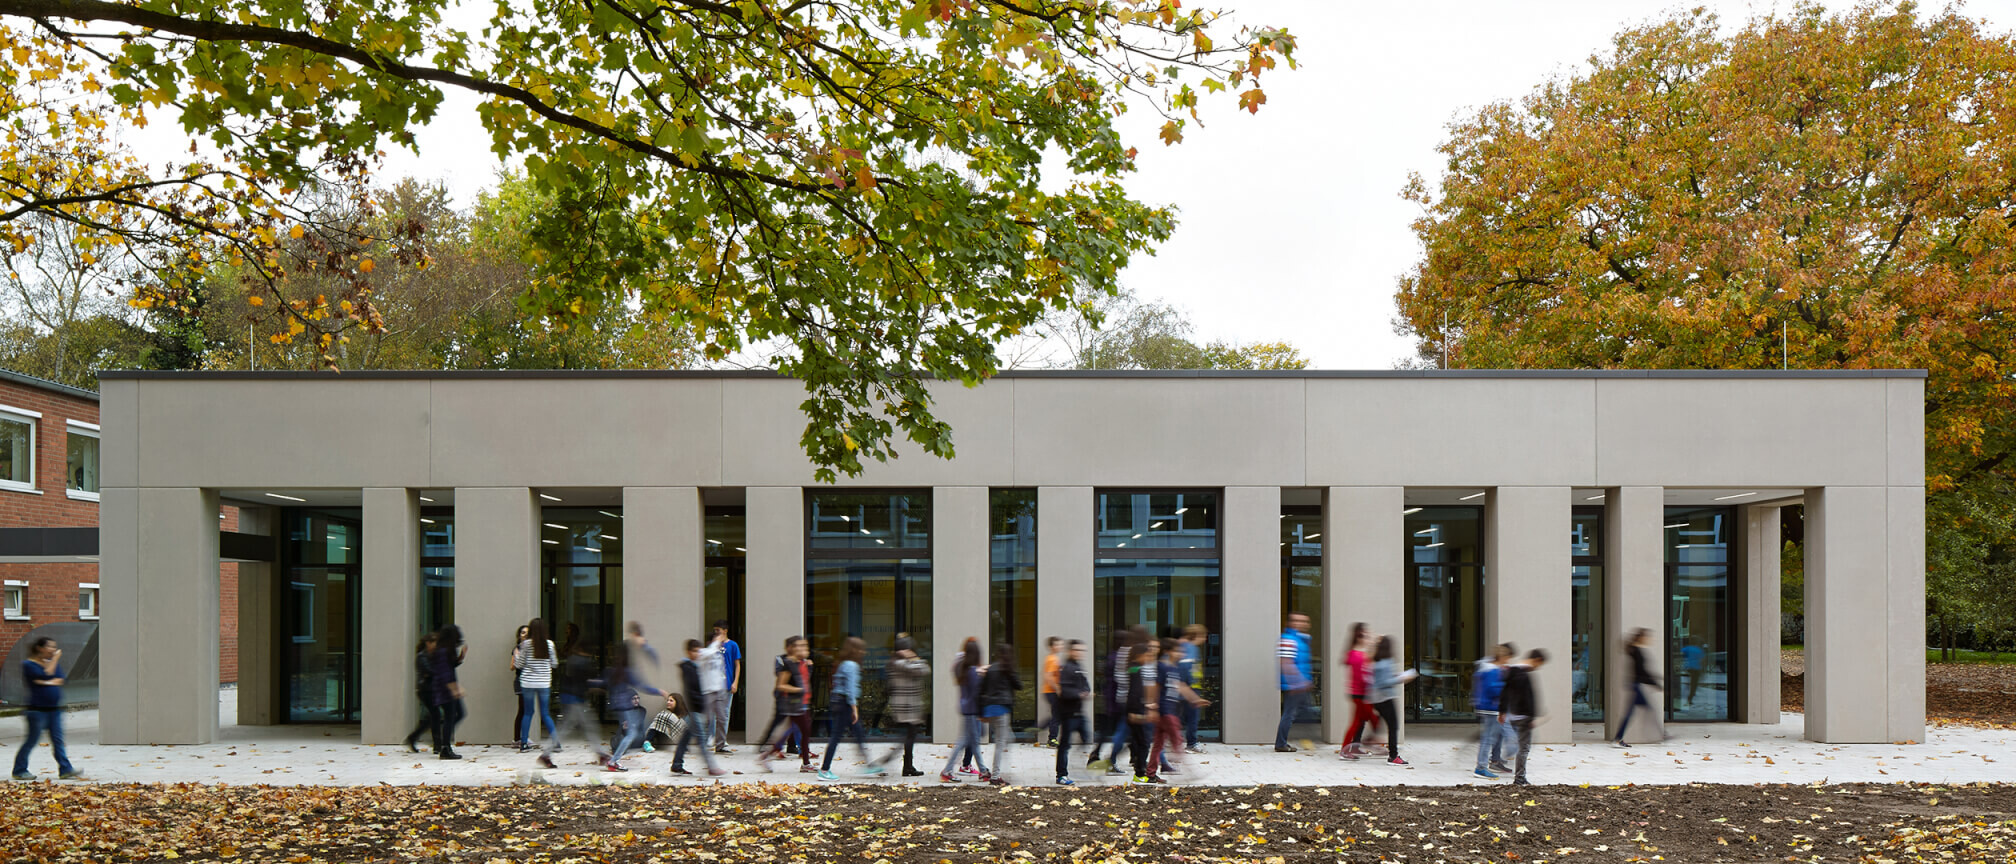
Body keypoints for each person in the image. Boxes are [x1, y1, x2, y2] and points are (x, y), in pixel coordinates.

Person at [11, 637, 79, 781]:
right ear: (40, 648)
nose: (54, 650)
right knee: (31, 741)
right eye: (50, 647)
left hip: (54, 710)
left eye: (55, 647)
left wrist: (46, 681)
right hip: (37, 711)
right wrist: (51, 670)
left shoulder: (52, 664)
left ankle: (65, 769)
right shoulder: (28, 664)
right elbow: (45, 674)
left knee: (58, 741)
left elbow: (61, 679)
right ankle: (19, 770)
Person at [540, 634, 608, 769]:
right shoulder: (584, 662)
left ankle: (546, 754)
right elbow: (584, 683)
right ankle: (601, 754)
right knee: (588, 726)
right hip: (576, 699)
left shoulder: (572, 659)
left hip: (568, 697)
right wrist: (599, 688)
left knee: (567, 727)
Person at [817, 636, 879, 780]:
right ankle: (825, 770)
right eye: (861, 649)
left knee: (858, 734)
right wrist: (854, 708)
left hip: (838, 701)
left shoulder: (844, 663)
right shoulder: (852, 665)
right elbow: (850, 690)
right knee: (837, 736)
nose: (863, 652)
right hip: (844, 703)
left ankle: (869, 766)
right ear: (855, 650)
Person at [871, 634, 930, 776]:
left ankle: (907, 766)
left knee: (908, 736)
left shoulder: (895, 663)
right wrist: (913, 658)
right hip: (907, 707)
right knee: (909, 736)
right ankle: (899, 764)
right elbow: (924, 669)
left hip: (906, 705)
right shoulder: (900, 664)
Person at [1151, 637, 1209, 780]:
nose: (1181, 654)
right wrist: (1152, 707)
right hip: (1165, 711)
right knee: (1177, 741)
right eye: (1177, 651)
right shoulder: (1161, 667)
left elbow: (1181, 687)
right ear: (1168, 652)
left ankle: (1150, 773)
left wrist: (1195, 699)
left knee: (1158, 744)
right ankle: (1190, 773)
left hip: (1169, 710)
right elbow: (1155, 687)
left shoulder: (1174, 668)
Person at [756, 636, 815, 773]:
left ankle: (766, 756)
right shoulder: (788, 664)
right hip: (793, 704)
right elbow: (781, 685)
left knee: (795, 732)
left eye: (805, 646)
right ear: (792, 649)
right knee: (804, 731)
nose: (804, 649)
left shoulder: (802, 663)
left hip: (801, 702)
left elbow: (805, 681)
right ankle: (805, 763)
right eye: (800, 646)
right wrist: (799, 690)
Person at [1088, 627, 1143, 773]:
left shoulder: (1115, 655)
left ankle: (1133, 757)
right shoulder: (1122, 656)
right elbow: (1121, 680)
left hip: (1115, 699)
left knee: (1122, 731)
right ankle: (1112, 759)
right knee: (1123, 731)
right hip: (1118, 700)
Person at [604, 640, 664, 771]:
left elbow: (605, 683)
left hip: (617, 704)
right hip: (625, 705)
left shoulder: (614, 669)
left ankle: (614, 759)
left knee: (630, 732)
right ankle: (613, 761)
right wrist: (658, 691)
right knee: (631, 733)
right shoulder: (627, 671)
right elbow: (642, 686)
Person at [939, 637, 991, 782]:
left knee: (973, 741)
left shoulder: (963, 668)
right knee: (964, 742)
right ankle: (948, 771)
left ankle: (983, 770)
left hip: (966, 708)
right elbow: (977, 694)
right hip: (973, 710)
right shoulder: (973, 672)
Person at [673, 639, 727, 776]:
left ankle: (676, 764)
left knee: (687, 736)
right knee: (702, 739)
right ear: (688, 652)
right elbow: (692, 690)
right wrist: (701, 703)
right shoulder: (688, 667)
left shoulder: (696, 666)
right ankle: (711, 767)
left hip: (698, 707)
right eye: (695, 651)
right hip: (696, 707)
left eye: (699, 651)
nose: (698, 654)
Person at [1500, 648, 1548, 786]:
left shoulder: (1512, 671)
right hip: (1523, 716)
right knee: (1524, 748)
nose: (1538, 667)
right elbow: (1527, 698)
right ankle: (1520, 777)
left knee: (1520, 745)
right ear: (1536, 660)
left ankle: (1518, 775)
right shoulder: (1524, 675)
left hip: (1513, 715)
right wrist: (1531, 716)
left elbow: (1504, 692)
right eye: (1539, 664)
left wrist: (1502, 711)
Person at [1613, 628, 1667, 747]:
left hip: (1635, 685)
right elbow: (1642, 671)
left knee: (1647, 710)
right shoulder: (1637, 651)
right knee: (1635, 713)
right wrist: (1655, 683)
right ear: (1641, 638)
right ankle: (1617, 739)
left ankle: (1662, 734)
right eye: (1647, 637)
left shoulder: (1634, 650)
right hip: (1636, 685)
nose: (1649, 639)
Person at [978, 641, 1022, 785]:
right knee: (1001, 743)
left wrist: (981, 711)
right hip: (1002, 709)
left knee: (1007, 739)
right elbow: (1019, 685)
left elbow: (983, 690)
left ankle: (1000, 771)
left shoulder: (992, 669)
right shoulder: (1007, 669)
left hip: (990, 709)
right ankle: (996, 776)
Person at [514, 618, 559, 752]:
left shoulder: (526, 645)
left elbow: (519, 665)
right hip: (544, 682)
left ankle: (524, 744)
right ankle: (556, 743)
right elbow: (555, 663)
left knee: (528, 712)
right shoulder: (549, 644)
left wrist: (517, 656)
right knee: (545, 713)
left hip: (527, 682)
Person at [1051, 639, 1092, 785]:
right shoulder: (1067, 668)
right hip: (1068, 714)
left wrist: (1086, 691)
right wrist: (1080, 694)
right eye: (1078, 650)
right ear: (1071, 651)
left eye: (1082, 650)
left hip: (1078, 713)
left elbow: (1086, 685)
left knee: (1087, 739)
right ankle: (1061, 775)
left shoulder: (1079, 667)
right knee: (1065, 744)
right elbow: (1065, 691)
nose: (1080, 653)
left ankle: (1080, 768)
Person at [1473, 642, 1516, 778]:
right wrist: (1505, 688)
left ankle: (1490, 762)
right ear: (1502, 657)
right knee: (1488, 738)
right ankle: (1481, 767)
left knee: (1492, 737)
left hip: (1489, 707)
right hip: (1491, 708)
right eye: (1507, 657)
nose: (1508, 660)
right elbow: (1492, 689)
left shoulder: (1488, 668)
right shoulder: (1493, 670)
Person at [1367, 635, 1410, 766]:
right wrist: (1401, 678)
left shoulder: (1377, 662)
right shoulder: (1387, 662)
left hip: (1376, 698)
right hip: (1386, 697)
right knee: (1393, 726)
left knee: (1382, 719)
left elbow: (1379, 679)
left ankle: (1371, 737)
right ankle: (1393, 756)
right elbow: (1384, 682)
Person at [1339, 624, 1380, 759]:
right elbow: (1364, 676)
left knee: (1361, 721)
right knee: (1368, 720)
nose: (1368, 638)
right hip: (1361, 694)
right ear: (1359, 637)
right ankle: (1346, 750)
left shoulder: (1354, 654)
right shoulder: (1358, 656)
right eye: (1366, 636)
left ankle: (1354, 747)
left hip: (1357, 694)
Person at [1275, 612, 1313, 752]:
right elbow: (1286, 663)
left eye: (1305, 621)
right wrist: (1297, 682)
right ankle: (1281, 744)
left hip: (1300, 684)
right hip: (1295, 685)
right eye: (1298, 621)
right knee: (1289, 714)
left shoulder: (1301, 639)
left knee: (1299, 712)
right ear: (1291, 623)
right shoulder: (1288, 640)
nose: (1302, 624)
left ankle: (1303, 739)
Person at [1125, 640, 1161, 784]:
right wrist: (1137, 710)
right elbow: (1135, 691)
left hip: (1136, 709)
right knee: (1144, 742)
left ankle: (1140, 771)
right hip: (1136, 710)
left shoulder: (1134, 668)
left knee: (1140, 741)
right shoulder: (1136, 669)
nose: (1148, 658)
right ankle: (1139, 774)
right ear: (1139, 655)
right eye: (1146, 655)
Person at [431, 624, 468, 760]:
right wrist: (455, 689)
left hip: (447, 688)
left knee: (456, 715)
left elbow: (449, 667)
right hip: (445, 690)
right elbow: (445, 673)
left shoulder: (445, 650)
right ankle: (445, 746)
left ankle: (444, 740)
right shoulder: (442, 651)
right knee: (451, 716)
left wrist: (460, 658)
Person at [710, 620, 743, 753]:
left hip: (727, 685)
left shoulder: (733, 645)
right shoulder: (713, 645)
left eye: (719, 630)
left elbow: (737, 665)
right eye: (715, 630)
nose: (717, 633)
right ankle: (712, 739)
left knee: (724, 715)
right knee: (712, 714)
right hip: (713, 685)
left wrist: (735, 682)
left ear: (725, 630)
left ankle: (721, 742)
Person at [404, 631, 440, 753]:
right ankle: (436, 744)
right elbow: (431, 671)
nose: (436, 645)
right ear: (428, 643)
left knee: (432, 716)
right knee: (434, 715)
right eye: (434, 642)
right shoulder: (422, 656)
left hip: (432, 689)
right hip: (425, 690)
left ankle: (414, 737)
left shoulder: (433, 656)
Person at [1179, 625, 1208, 753]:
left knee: (1179, 716)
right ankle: (1191, 743)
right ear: (1196, 636)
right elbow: (1186, 666)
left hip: (1183, 687)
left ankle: (1173, 741)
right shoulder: (1191, 648)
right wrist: (1190, 685)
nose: (1205, 638)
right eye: (1203, 635)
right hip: (1190, 688)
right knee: (1192, 718)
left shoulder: (1182, 646)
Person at [508, 623, 531, 748]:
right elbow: (511, 667)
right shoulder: (517, 649)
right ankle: (518, 738)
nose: (525, 635)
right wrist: (518, 658)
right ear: (519, 636)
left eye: (528, 633)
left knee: (526, 710)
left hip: (529, 681)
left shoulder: (532, 648)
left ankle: (522, 737)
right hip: (521, 681)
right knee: (522, 710)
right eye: (523, 633)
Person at [1039, 636, 1062, 748]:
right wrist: (1058, 689)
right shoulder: (1053, 659)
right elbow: (1048, 676)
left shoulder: (1051, 658)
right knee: (1057, 715)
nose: (1060, 646)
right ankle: (1052, 739)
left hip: (1049, 691)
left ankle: (1041, 727)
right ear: (1052, 647)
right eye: (1057, 644)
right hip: (1051, 691)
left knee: (1057, 715)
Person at [1680, 637, 1705, 709]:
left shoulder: (1687, 648)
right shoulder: (1699, 650)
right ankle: (1690, 698)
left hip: (1689, 667)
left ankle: (1690, 691)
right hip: (1696, 668)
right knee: (1694, 683)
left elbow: (1680, 653)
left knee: (1691, 681)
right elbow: (1702, 660)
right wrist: (1703, 671)